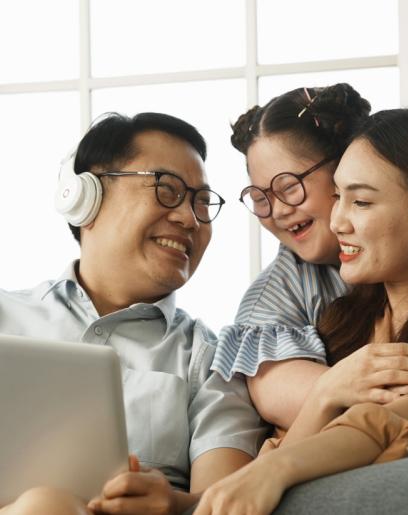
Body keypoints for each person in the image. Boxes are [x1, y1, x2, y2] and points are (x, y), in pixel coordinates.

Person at [210, 84, 408, 514]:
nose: (338, 220)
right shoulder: (338, 321)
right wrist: (325, 395)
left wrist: (278, 470)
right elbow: (266, 463)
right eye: (339, 198)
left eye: (358, 201)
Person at [0, 112, 267, 515]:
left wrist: (174, 504)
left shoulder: (212, 359)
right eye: (167, 189)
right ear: (84, 197)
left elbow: (222, 503)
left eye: (200, 202)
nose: (189, 218)